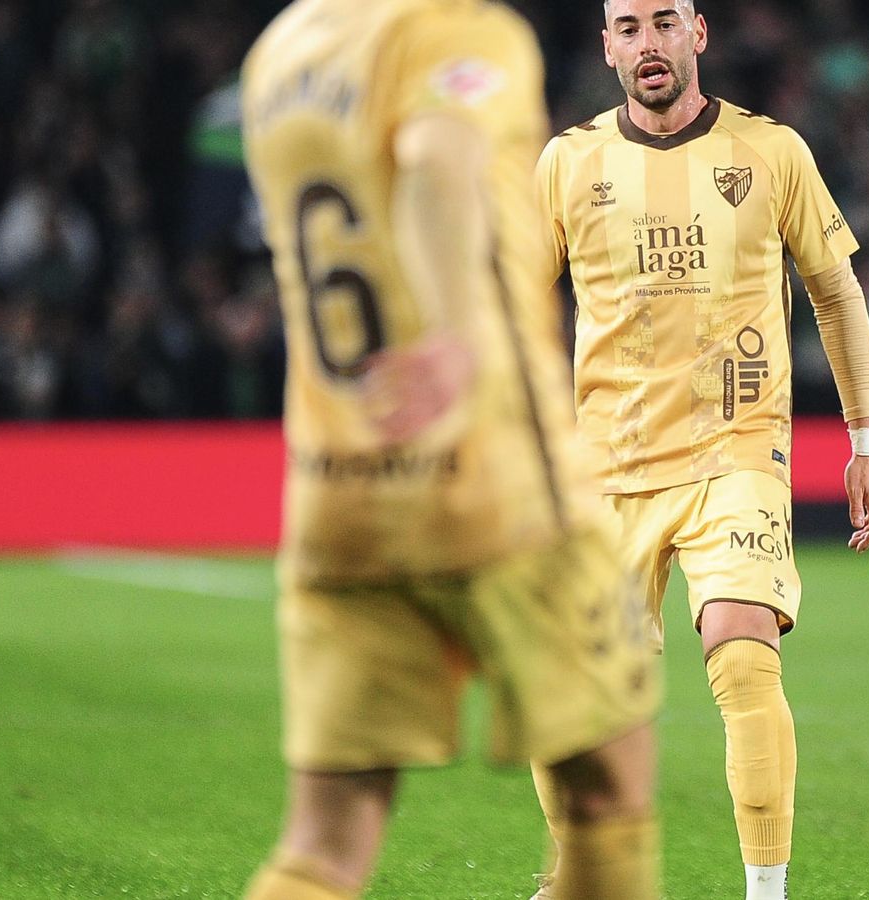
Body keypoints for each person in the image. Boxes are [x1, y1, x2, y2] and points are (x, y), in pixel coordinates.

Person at [240, 1, 662, 898]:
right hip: (495, 478)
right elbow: (437, 163)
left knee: (324, 840)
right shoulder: (458, 32)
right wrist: (458, 335)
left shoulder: (280, 53)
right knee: (607, 790)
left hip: (338, 487)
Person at [531, 2, 869, 898]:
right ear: (606, 46)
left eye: (663, 22)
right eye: (628, 27)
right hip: (604, 466)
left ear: (699, 32)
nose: (647, 44)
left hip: (736, 451)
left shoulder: (773, 153)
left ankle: (765, 893)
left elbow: (836, 296)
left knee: (741, 650)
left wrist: (865, 442)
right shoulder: (568, 163)